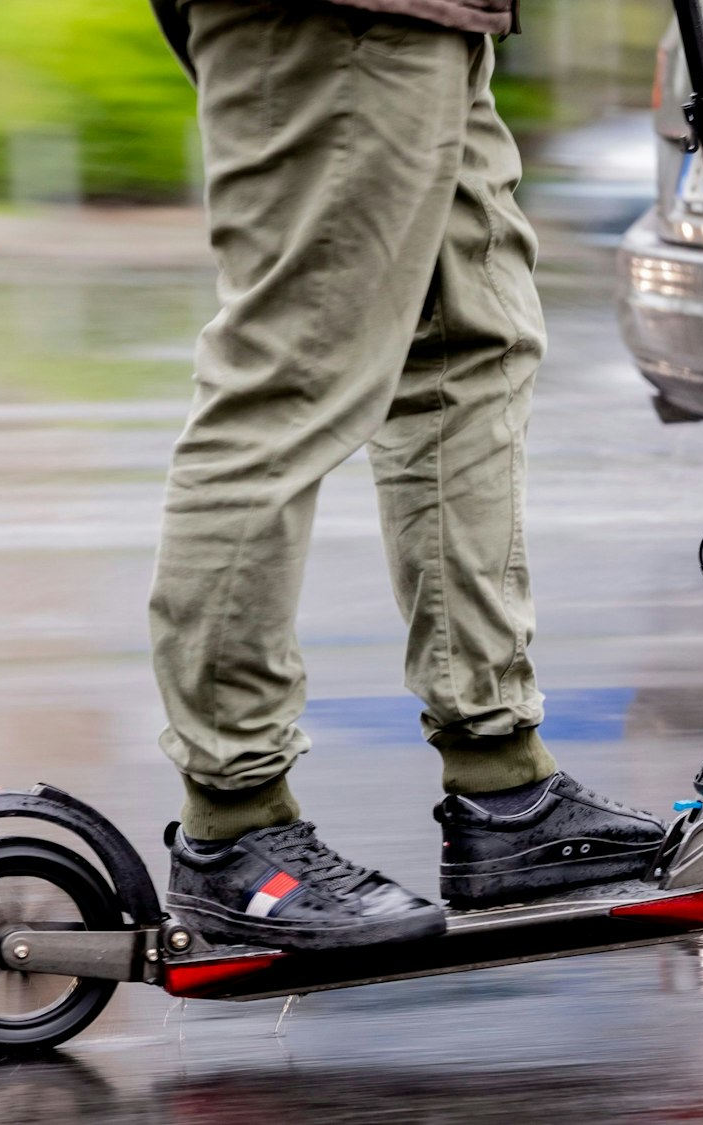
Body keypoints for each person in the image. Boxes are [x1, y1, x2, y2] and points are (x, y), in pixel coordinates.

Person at [145, 0, 664, 951]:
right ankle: (235, 822)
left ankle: (501, 782)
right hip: (342, 16)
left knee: (469, 351)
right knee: (292, 374)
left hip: (439, 16)